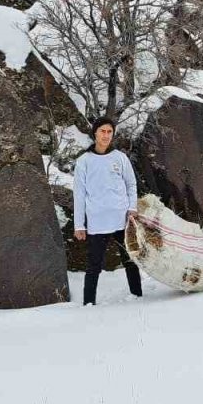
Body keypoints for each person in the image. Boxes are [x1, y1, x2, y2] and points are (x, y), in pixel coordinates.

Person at [73, 117, 142, 306]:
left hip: (122, 219)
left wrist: (132, 208)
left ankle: (138, 297)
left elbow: (131, 184)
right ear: (95, 133)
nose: (106, 135)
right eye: (102, 131)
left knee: (129, 260)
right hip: (97, 221)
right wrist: (79, 225)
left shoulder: (120, 157)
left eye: (109, 132)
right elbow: (79, 195)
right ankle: (88, 304)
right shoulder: (84, 162)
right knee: (94, 266)